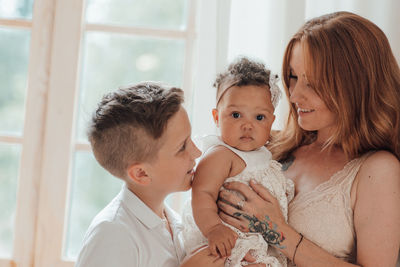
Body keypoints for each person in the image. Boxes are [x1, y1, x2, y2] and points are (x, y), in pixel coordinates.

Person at [217, 11, 400, 267]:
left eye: (312, 83)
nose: (294, 95)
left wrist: (278, 232)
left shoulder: (378, 170)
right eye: (293, 77)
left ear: (356, 85)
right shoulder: (269, 146)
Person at [75, 82, 225, 267]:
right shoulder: (112, 233)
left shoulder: (177, 223)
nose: (197, 152)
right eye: (182, 147)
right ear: (141, 173)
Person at [182, 58, 295, 267]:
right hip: (226, 241)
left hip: (259, 242)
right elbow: (202, 193)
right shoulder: (220, 154)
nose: (247, 125)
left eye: (259, 117)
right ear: (216, 117)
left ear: (271, 121)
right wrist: (214, 228)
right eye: (236, 115)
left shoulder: (264, 153)